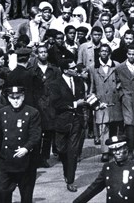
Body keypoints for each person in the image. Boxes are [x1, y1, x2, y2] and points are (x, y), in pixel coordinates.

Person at [72, 135, 134, 203]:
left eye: (119, 149)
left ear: (126, 149)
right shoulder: (108, 168)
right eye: (114, 149)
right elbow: (93, 189)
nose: (117, 152)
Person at [0, 86, 42, 203]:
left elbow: (35, 135)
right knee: (3, 193)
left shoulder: (32, 113)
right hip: (6, 161)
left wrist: (26, 148)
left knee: (26, 196)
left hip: (25, 162)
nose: (16, 101)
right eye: (12, 98)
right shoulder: (3, 112)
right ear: (8, 98)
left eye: (18, 97)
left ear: (23, 97)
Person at [48, 60, 89, 192]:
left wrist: (95, 104)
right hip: (61, 121)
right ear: (65, 70)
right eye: (72, 68)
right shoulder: (55, 84)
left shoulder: (79, 81)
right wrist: (76, 104)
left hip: (77, 120)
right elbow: (56, 103)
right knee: (61, 149)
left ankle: (70, 179)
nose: (76, 70)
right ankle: (67, 169)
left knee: (73, 151)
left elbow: (84, 98)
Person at [115, 45, 134, 155]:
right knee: (129, 123)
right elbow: (117, 82)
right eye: (130, 54)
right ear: (126, 54)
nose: (132, 56)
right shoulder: (120, 68)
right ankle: (130, 148)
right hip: (127, 98)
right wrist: (122, 95)